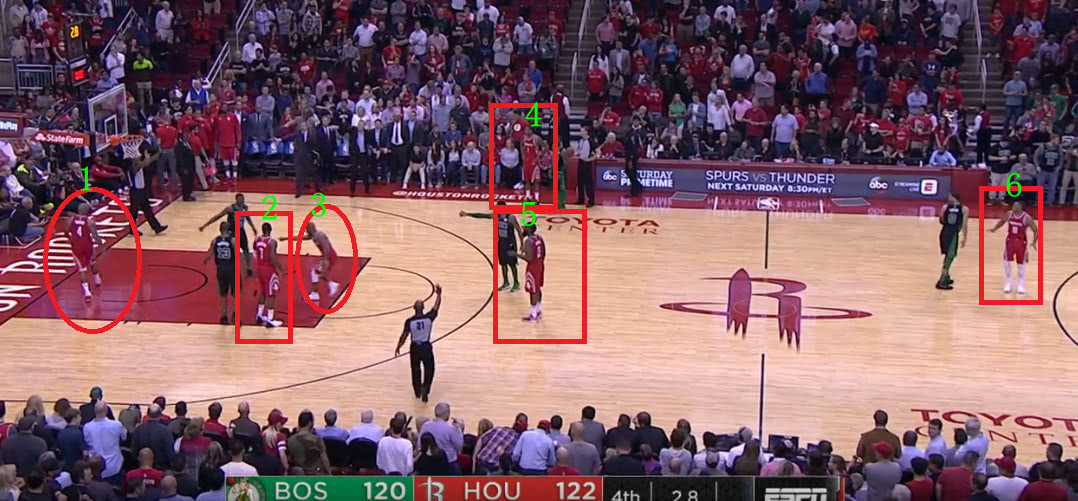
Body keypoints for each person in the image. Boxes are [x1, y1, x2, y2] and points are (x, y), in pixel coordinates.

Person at [460, 202, 523, 291]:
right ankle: (506, 282)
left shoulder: (511, 217)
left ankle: (516, 283)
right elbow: (482, 215)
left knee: (512, 264)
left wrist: (522, 244)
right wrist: (467, 214)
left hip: (510, 243)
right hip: (501, 242)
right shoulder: (496, 215)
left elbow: (519, 230)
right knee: (503, 263)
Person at [395, 284, 442, 402]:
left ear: (413, 308)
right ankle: (426, 389)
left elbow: (404, 335)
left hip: (415, 347)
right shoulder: (428, 318)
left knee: (415, 369)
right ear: (423, 308)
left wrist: (399, 346)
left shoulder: (409, 321)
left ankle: (418, 391)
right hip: (426, 346)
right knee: (429, 369)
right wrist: (439, 295)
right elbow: (436, 307)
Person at [198, 193, 256, 277]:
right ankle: (234, 267)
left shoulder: (245, 207)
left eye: (243, 199)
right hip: (232, 232)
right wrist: (205, 225)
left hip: (241, 231)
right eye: (240, 199)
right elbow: (217, 217)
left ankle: (249, 267)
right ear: (236, 200)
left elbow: (247, 217)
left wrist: (253, 227)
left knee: (246, 249)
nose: (242, 201)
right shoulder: (230, 209)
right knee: (233, 250)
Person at [989, 200, 1038, 294]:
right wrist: (994, 229)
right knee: (1006, 261)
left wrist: (1034, 242)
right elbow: (1002, 221)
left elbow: (1036, 230)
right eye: (1013, 205)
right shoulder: (1009, 214)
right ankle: (1008, 282)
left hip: (1021, 242)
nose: (1013, 207)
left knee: (1021, 264)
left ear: (1021, 207)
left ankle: (1020, 284)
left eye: (1016, 206)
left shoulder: (1027, 217)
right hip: (1010, 241)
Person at [287, 223, 340, 302]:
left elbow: (326, 248)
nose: (306, 231)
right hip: (328, 256)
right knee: (316, 272)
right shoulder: (314, 235)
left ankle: (327, 287)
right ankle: (326, 287)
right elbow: (301, 238)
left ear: (310, 229)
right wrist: (287, 238)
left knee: (317, 272)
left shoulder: (320, 235)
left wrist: (325, 260)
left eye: (306, 229)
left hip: (329, 256)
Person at [68, 203, 104, 302]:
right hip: (88, 245)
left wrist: (72, 239)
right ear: (87, 211)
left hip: (76, 247)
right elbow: (96, 237)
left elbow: (66, 232)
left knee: (82, 268)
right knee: (92, 261)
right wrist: (101, 247)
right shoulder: (90, 222)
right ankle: (97, 279)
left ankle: (87, 292)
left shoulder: (70, 220)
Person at [203, 222, 236, 325]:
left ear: (220, 229)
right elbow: (238, 255)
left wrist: (206, 260)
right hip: (231, 268)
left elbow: (209, 254)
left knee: (223, 294)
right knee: (236, 293)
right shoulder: (233, 240)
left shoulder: (215, 241)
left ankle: (223, 315)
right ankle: (235, 315)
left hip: (220, 269)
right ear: (229, 230)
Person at [253, 223, 285, 327]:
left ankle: (259, 315)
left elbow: (254, 253)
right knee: (272, 293)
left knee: (263, 291)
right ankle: (270, 319)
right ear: (270, 230)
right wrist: (281, 269)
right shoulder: (272, 242)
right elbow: (273, 257)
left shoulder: (256, 240)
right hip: (268, 269)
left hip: (259, 267)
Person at [936, 192, 968, 290]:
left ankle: (946, 276)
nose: (948, 198)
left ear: (954, 197)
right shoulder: (964, 209)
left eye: (950, 196)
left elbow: (941, 220)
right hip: (953, 234)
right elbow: (964, 225)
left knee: (948, 255)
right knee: (950, 256)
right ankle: (942, 280)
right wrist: (965, 238)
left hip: (944, 233)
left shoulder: (945, 207)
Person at [519, 224, 546, 323]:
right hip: (540, 265)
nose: (524, 228)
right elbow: (544, 252)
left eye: (525, 227)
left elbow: (529, 258)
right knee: (537, 288)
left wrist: (516, 255)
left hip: (533, 268)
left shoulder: (528, 241)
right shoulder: (539, 238)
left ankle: (533, 315)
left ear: (529, 230)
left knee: (533, 290)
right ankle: (538, 311)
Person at [520, 127, 541, 202]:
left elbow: (545, 147)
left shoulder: (536, 138)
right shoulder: (523, 138)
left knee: (536, 181)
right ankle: (528, 197)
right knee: (527, 180)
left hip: (534, 163)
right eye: (525, 130)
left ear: (531, 131)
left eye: (527, 130)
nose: (526, 131)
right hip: (527, 162)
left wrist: (537, 157)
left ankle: (536, 199)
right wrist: (523, 155)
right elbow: (521, 145)